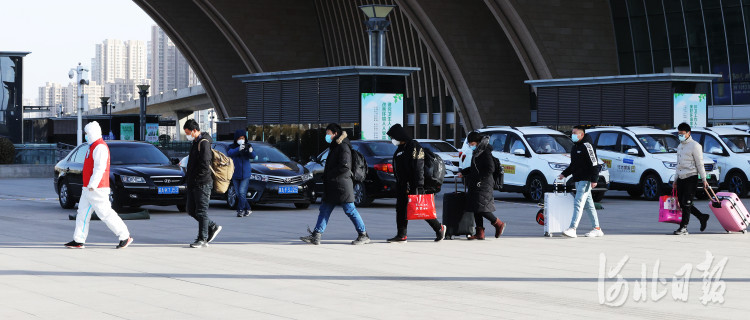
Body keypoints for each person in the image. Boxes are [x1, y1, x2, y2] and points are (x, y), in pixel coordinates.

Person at [65, 121, 133, 249]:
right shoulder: (92, 146)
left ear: (92, 133)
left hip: (97, 188)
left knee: (105, 213)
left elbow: (100, 168)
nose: (86, 135)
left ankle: (124, 236)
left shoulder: (100, 147)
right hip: (89, 187)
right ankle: (78, 240)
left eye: (87, 133)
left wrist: (93, 184)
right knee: (82, 213)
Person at [300, 124, 370, 245]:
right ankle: (316, 235)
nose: (326, 136)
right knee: (324, 210)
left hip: (342, 185)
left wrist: (330, 175)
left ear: (335, 133)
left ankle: (363, 234)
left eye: (328, 133)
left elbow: (345, 167)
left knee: (350, 210)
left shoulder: (343, 146)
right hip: (333, 185)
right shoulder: (335, 146)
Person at [386, 124, 446, 243]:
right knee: (401, 209)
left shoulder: (414, 147)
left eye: (393, 137)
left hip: (414, 184)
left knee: (421, 209)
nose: (392, 140)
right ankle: (401, 235)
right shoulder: (400, 149)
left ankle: (439, 228)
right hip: (402, 185)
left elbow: (419, 168)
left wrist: (419, 186)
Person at [457, 132, 507, 240]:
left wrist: (480, 179)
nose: (471, 145)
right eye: (469, 144)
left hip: (483, 184)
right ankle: (480, 232)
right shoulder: (478, 151)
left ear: (478, 142)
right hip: (476, 183)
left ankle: (498, 224)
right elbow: (474, 168)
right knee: (475, 207)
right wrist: (464, 172)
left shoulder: (485, 152)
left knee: (481, 208)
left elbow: (490, 168)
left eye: (472, 143)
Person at [558, 125, 604, 238]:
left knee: (578, 203)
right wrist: (564, 174)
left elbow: (595, 163)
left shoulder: (587, 146)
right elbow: (573, 165)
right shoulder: (575, 147)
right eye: (572, 132)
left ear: (581, 134)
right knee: (589, 206)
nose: (572, 135)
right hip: (578, 179)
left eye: (574, 133)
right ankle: (597, 229)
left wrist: (594, 179)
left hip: (586, 180)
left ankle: (573, 228)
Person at [184, 119, 222, 248]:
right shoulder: (195, 142)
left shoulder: (204, 143)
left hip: (202, 182)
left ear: (195, 131)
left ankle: (202, 238)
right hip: (193, 182)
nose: (187, 135)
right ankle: (212, 226)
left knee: (201, 211)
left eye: (188, 133)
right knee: (190, 210)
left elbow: (205, 165)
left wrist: (197, 178)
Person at [673, 122, 711, 235]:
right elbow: (678, 164)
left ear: (688, 133)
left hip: (691, 177)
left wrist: (704, 179)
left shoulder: (695, 146)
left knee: (687, 203)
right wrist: (675, 180)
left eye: (682, 133)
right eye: (678, 133)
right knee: (682, 203)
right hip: (681, 177)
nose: (680, 135)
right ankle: (702, 217)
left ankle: (683, 227)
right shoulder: (680, 146)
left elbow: (700, 164)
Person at [227, 129, 256, 217]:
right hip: (235, 173)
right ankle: (248, 208)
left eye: (243, 138)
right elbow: (230, 153)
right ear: (236, 139)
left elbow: (253, 156)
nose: (241, 140)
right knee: (239, 194)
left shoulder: (248, 145)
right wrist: (238, 149)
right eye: (239, 138)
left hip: (245, 174)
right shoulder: (232, 146)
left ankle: (240, 210)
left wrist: (250, 151)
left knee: (242, 192)